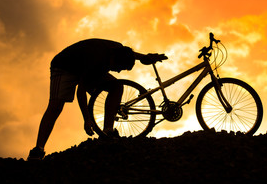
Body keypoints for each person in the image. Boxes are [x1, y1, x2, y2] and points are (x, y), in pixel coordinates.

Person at [28, 39, 167, 161]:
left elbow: (129, 54)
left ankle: (108, 131)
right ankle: (38, 149)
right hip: (65, 66)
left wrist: (146, 57)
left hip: (87, 66)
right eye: (119, 69)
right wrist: (87, 119)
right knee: (55, 106)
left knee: (116, 86)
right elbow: (81, 91)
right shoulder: (96, 59)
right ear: (114, 61)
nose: (118, 72)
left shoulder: (118, 50)